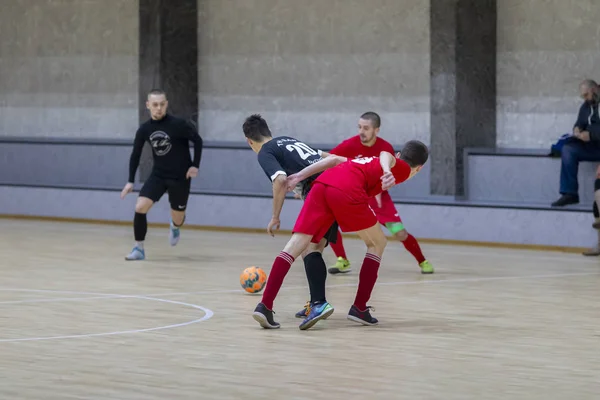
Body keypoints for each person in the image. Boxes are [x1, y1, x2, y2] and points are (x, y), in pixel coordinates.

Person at [252, 140, 429, 330]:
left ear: (402, 154)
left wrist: (298, 177)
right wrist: (387, 169)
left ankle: (265, 306)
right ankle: (359, 308)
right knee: (377, 243)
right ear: (418, 168)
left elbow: (334, 159)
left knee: (296, 245)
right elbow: (387, 155)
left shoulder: (367, 160)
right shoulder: (400, 167)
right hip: (347, 189)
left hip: (321, 185)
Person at [243, 114, 339, 329]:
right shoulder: (287, 140)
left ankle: (266, 306)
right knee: (313, 248)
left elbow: (279, 180)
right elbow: (328, 157)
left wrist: (275, 216)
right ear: (269, 131)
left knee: (298, 248)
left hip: (320, 192)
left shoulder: (265, 152)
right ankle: (316, 303)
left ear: (249, 141)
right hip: (334, 187)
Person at [319, 112, 434, 275]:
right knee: (331, 221)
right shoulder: (349, 145)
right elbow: (331, 160)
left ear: (376, 130)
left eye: (366, 128)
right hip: (356, 195)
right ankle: (342, 260)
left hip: (380, 199)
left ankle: (422, 261)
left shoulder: (385, 147)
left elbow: (391, 166)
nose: (361, 131)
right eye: (359, 127)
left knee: (399, 232)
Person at [120, 89, 203, 260]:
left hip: (180, 177)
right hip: (158, 175)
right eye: (155, 105)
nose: (159, 108)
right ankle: (139, 249)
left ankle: (175, 225)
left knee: (178, 218)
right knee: (140, 207)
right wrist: (130, 181)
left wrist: (195, 165)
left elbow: (198, 141)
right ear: (148, 105)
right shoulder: (144, 129)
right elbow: (135, 154)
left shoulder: (179, 124)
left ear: (166, 104)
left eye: (162, 104)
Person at [552, 79, 600, 207]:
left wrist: (591, 135)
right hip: (592, 147)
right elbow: (580, 122)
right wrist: (577, 129)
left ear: (594, 90)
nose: (585, 98)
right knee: (568, 149)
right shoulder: (586, 105)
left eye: (586, 95)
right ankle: (570, 194)